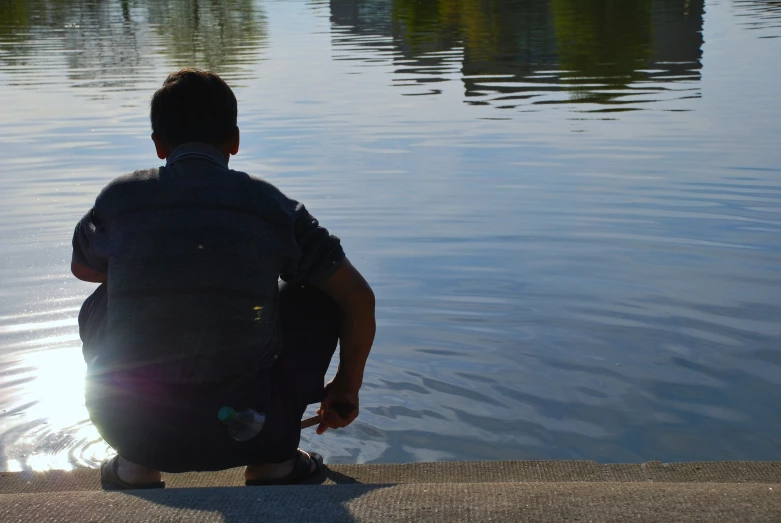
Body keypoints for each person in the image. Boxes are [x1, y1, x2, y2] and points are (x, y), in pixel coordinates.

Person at [71, 68, 376, 489]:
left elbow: (83, 269)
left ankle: (134, 465)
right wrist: (346, 386)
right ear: (234, 140)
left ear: (159, 145)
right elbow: (358, 298)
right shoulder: (272, 207)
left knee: (104, 301)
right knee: (319, 298)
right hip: (254, 429)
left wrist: (158, 260)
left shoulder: (119, 198)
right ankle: (274, 464)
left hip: (135, 431)